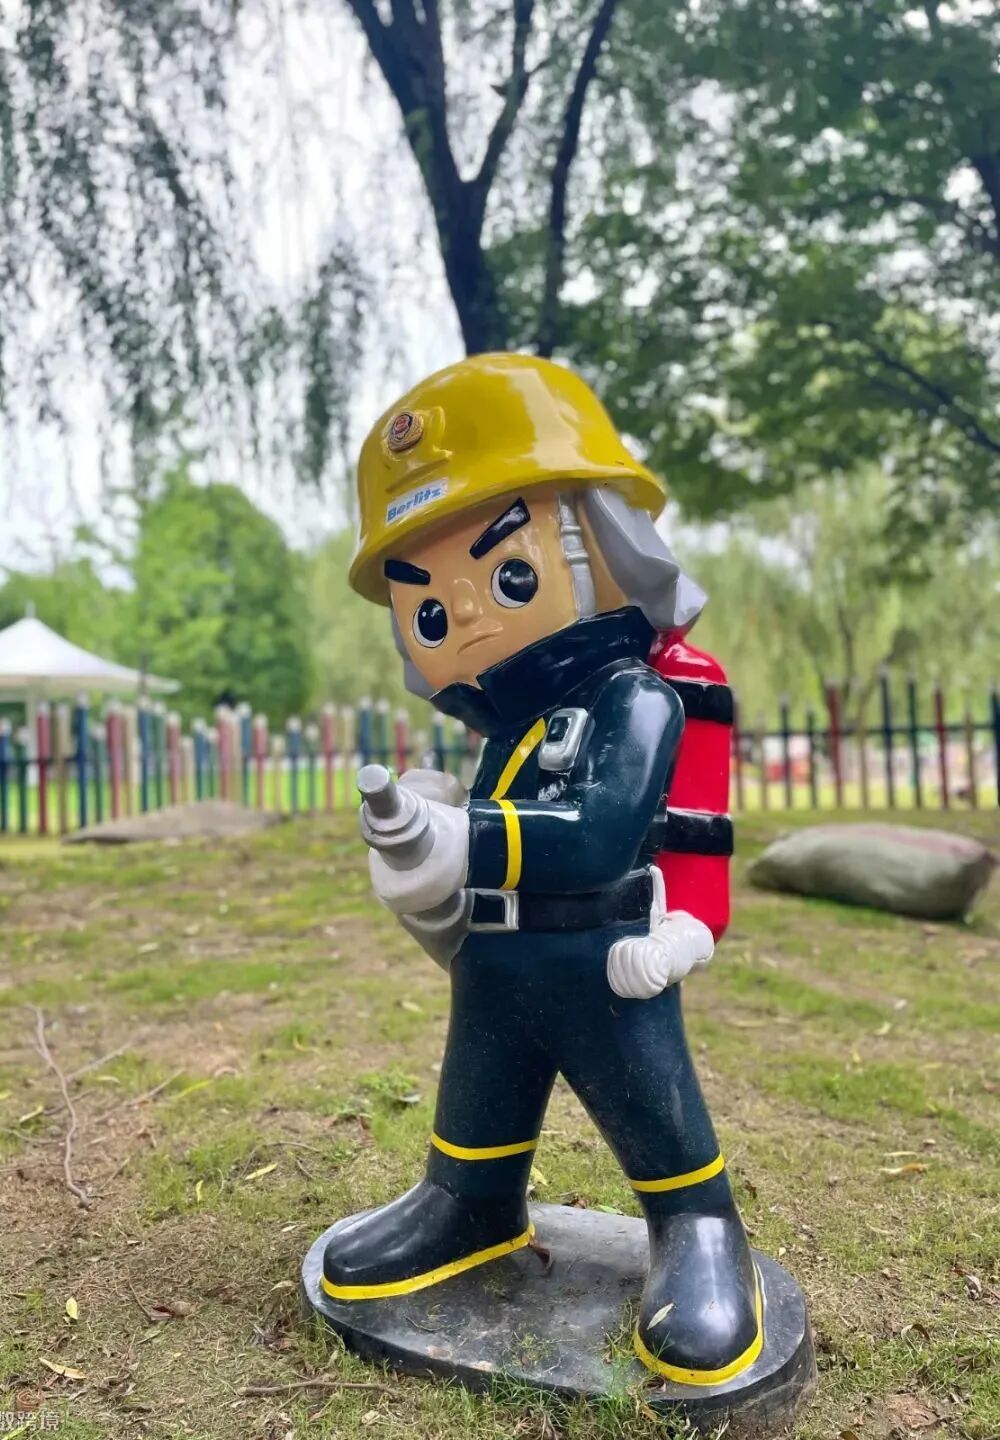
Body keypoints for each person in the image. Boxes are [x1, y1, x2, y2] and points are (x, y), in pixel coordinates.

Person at [323, 353, 760, 1388]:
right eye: (431, 613)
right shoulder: (509, 729)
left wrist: (465, 839)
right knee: (479, 1094)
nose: (470, 618)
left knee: (651, 1108)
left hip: (601, 955)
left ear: (597, 546)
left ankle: (697, 1224)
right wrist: (424, 844)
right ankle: (469, 1202)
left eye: (508, 577)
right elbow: (488, 825)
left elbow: (599, 829)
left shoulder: (631, 701)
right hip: (496, 958)